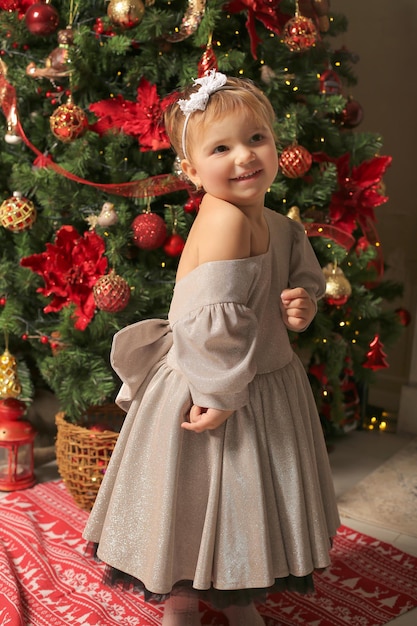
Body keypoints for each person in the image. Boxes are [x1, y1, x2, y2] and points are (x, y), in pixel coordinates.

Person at [83, 70, 340, 626]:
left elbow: (301, 278)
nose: (244, 157)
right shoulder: (222, 219)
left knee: (242, 501)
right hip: (210, 384)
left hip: (262, 379)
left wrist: (304, 305)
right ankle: (179, 604)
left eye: (256, 139)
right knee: (196, 492)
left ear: (276, 145)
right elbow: (210, 325)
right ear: (192, 170)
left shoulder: (278, 223)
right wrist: (220, 393)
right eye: (221, 148)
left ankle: (236, 593)